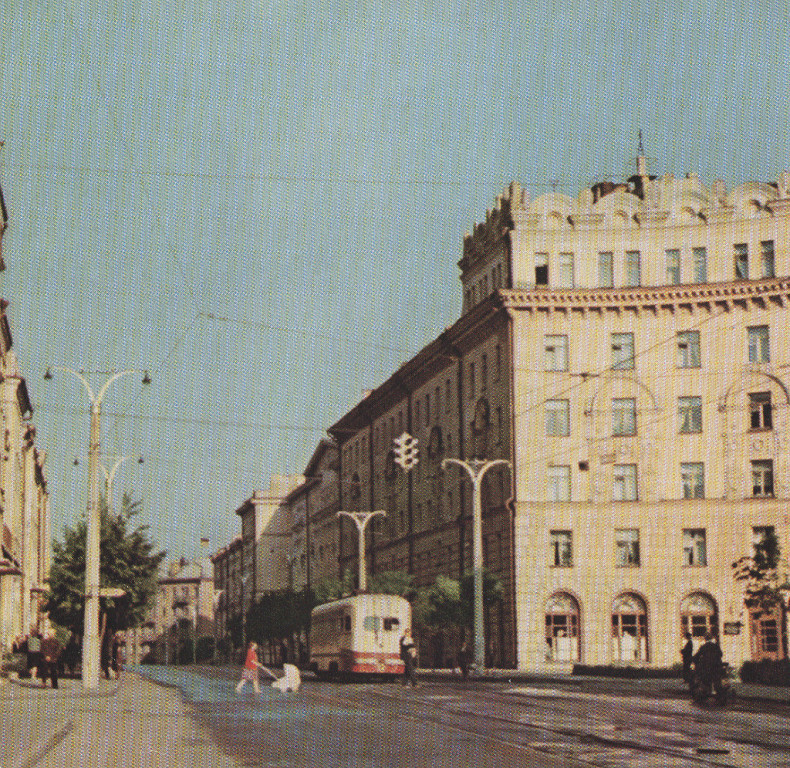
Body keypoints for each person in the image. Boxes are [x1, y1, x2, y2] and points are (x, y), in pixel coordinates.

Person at [692, 633, 725, 699]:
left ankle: (705, 690)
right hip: (717, 667)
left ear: (705, 639)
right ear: (711, 639)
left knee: (703, 677)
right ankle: (717, 692)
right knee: (717, 679)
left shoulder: (704, 646)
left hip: (707, 668)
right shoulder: (716, 646)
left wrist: (694, 659)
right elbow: (721, 654)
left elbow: (697, 655)